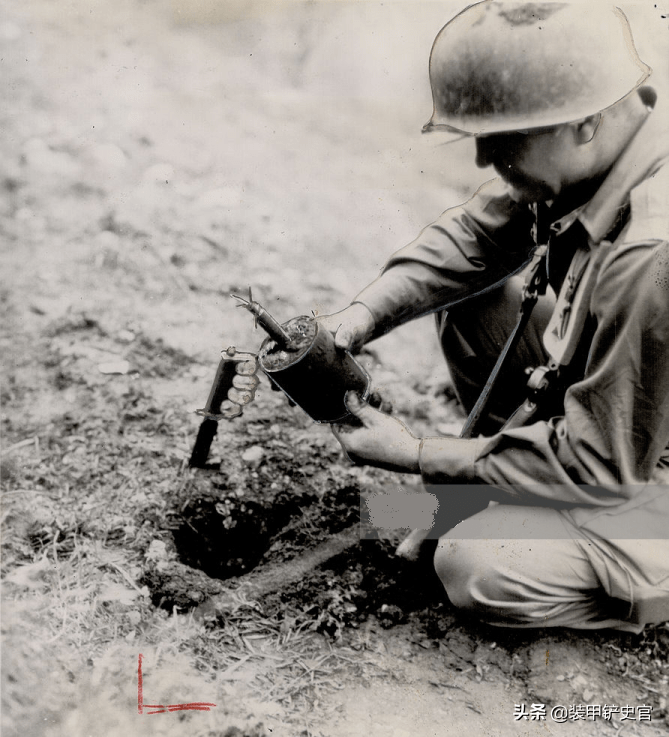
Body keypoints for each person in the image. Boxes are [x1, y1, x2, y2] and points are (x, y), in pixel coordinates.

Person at [324, 1, 669, 632]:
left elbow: (601, 467)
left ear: (586, 123)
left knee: (479, 563)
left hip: (636, 466)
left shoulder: (654, 252)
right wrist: (359, 315)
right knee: (474, 300)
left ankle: (648, 584)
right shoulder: (614, 139)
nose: (484, 161)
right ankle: (505, 488)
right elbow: (475, 238)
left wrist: (416, 455)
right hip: (627, 415)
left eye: (504, 138)